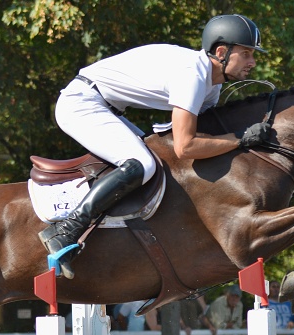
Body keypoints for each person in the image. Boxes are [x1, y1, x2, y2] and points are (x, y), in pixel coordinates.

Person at [39, 14, 270, 278]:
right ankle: (66, 231)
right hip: (81, 103)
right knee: (142, 164)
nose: (253, 62)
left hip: (108, 108)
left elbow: (201, 139)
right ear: (221, 52)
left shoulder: (211, 85)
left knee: (159, 163)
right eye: (247, 53)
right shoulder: (192, 76)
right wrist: (240, 139)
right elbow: (186, 146)